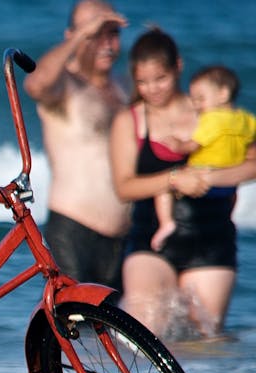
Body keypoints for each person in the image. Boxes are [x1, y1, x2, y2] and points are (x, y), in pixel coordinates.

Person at [108, 28, 256, 338]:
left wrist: (207, 177)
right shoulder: (130, 119)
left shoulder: (210, 110)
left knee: (205, 340)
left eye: (160, 79)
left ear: (178, 66)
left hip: (211, 239)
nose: (152, 89)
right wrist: (175, 179)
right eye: (142, 82)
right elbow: (124, 187)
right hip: (152, 240)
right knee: (144, 330)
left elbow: (251, 165)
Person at [24, 0, 130, 291]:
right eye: (94, 33)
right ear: (73, 35)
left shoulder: (124, 87)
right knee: (73, 326)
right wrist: (85, 32)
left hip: (123, 238)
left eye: (112, 33)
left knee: (115, 332)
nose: (105, 43)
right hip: (74, 231)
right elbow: (36, 84)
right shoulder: (66, 86)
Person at [152, 66, 256, 252]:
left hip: (202, 170)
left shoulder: (211, 119)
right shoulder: (246, 119)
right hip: (228, 179)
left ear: (223, 94)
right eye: (194, 100)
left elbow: (194, 145)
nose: (197, 105)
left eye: (200, 99)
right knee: (231, 197)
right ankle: (229, 218)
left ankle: (166, 222)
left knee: (166, 184)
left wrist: (177, 145)